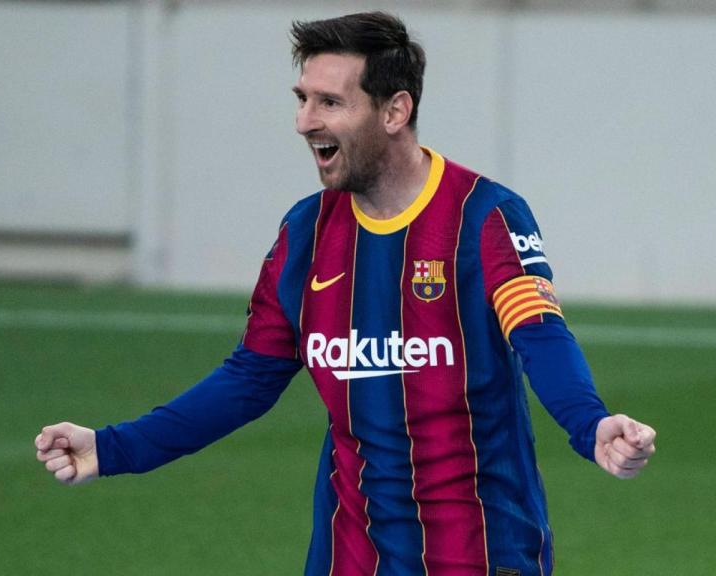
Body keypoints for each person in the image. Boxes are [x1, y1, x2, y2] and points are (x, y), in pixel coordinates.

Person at [35, 11, 655, 575]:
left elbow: (539, 334)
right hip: (347, 555)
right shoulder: (303, 233)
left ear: (393, 111)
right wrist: (113, 448)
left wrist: (589, 422)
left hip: (481, 551)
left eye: (330, 102)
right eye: (303, 99)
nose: (305, 121)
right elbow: (250, 376)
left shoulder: (485, 216)